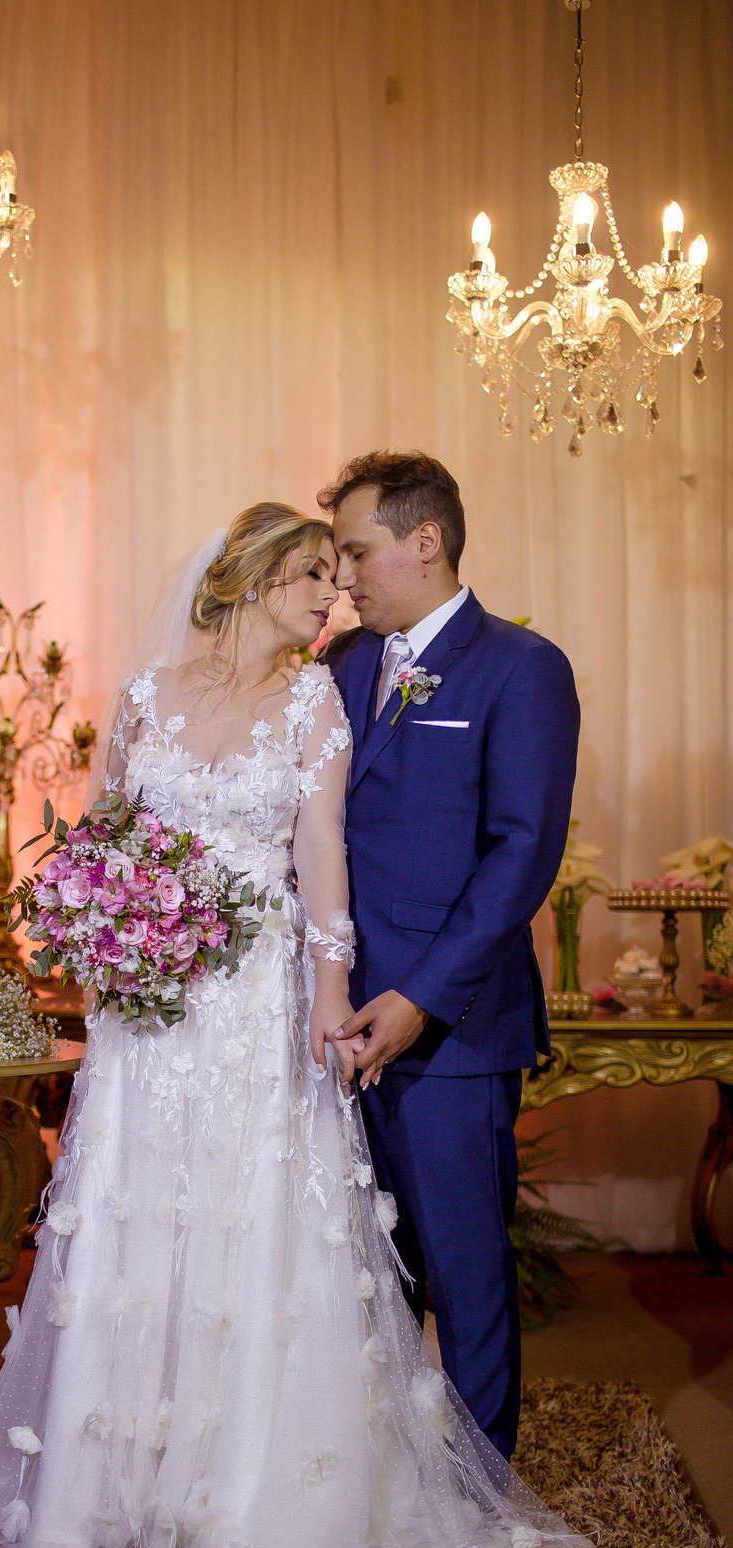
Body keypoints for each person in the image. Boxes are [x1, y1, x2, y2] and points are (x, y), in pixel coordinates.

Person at [0, 503, 595, 1548]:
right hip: (150, 1016)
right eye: (310, 577)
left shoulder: (317, 699)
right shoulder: (145, 700)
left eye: (341, 576)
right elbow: (103, 839)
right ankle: (105, 1485)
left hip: (257, 1003)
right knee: (144, 1217)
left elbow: (322, 857)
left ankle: (254, 1490)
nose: (331, 598)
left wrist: (329, 995)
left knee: (260, 1222)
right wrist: (103, 929)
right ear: (245, 580)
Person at [318, 452, 580, 1462]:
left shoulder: (521, 666)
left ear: (423, 541)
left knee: (463, 1274)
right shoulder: (341, 666)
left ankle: (481, 1497)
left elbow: (523, 853)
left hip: (449, 1033)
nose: (344, 575)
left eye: (357, 550)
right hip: (337, 1022)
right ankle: (383, 1480)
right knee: (366, 1275)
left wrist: (419, 998)